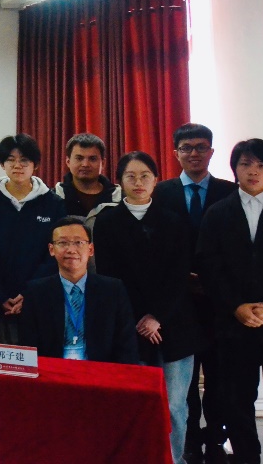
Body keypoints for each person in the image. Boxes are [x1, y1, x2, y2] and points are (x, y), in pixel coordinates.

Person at [93, 151, 200, 464]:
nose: (138, 182)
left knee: (175, 405)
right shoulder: (107, 221)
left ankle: (173, 459)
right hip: (130, 327)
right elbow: (110, 276)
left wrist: (157, 317)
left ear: (156, 180)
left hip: (174, 325)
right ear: (119, 181)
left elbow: (179, 276)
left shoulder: (174, 221)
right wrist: (140, 318)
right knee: (134, 403)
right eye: (130, 176)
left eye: (145, 176)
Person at [197, 138, 263, 464]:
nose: (253, 171)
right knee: (236, 403)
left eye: (262, 165)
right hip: (233, 325)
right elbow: (208, 267)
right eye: (246, 164)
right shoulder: (217, 213)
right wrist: (235, 306)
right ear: (234, 168)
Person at [155, 124, 237, 464]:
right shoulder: (161, 192)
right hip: (178, 304)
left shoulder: (230, 191)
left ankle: (216, 438)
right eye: (186, 147)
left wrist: (214, 280)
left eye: (201, 147)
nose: (194, 154)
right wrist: (179, 279)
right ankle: (188, 440)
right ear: (175, 153)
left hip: (220, 303)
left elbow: (236, 246)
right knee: (183, 383)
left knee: (219, 376)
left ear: (212, 152)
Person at [0, 134, 67, 345]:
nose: (17, 165)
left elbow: (53, 255)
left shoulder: (53, 203)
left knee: (37, 361)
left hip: (38, 301)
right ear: (2, 164)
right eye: (11, 160)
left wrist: (29, 293)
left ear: (35, 165)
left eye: (24, 160)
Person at [20, 216, 138, 364]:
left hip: (100, 372)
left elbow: (127, 346)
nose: (71, 250)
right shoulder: (36, 292)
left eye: (78, 242)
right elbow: (28, 346)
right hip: (53, 372)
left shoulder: (113, 290)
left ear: (91, 249)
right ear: (51, 249)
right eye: (62, 243)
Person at [53, 133, 117, 216]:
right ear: (68, 162)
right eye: (79, 158)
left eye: (92, 159)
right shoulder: (54, 197)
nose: (85, 164)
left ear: (103, 163)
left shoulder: (119, 198)